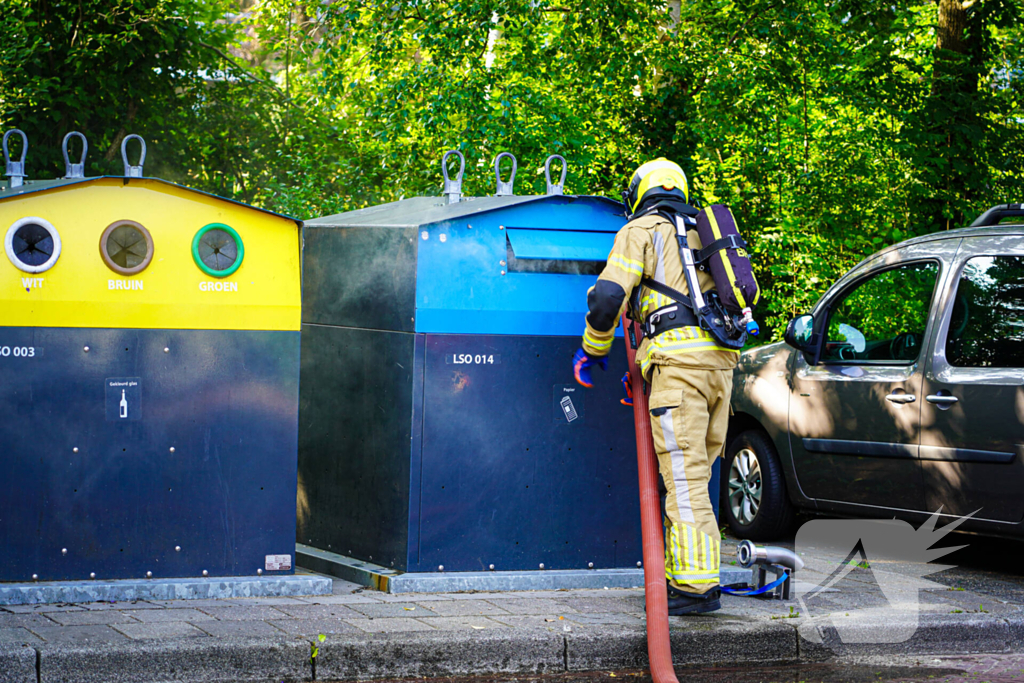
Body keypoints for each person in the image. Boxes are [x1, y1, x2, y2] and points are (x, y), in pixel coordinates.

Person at [572, 158, 740, 615]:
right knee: (697, 478)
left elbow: (607, 298)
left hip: (678, 372)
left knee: (683, 484)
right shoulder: (703, 232)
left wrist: (594, 349)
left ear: (637, 193)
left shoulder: (641, 229)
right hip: (719, 370)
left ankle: (694, 587)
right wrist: (644, 367)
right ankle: (688, 573)